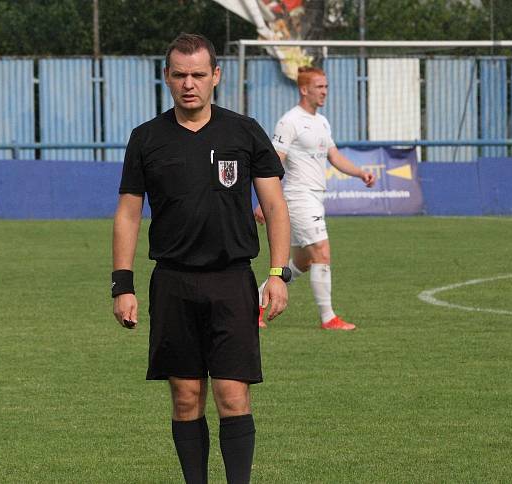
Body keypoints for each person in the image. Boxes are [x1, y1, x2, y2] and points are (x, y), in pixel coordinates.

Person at [111, 33, 291, 484]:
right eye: (179, 75)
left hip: (232, 281)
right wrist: (122, 284)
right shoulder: (146, 139)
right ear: (167, 77)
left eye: (197, 74)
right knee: (186, 398)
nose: (189, 84)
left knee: (233, 396)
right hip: (172, 283)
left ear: (216, 76)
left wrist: (278, 273)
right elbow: (129, 214)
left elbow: (275, 207)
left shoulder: (244, 131)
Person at [253, 66, 375, 331]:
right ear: (304, 89)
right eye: (320, 86)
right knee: (321, 252)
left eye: (326, 87)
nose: (325, 92)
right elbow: (275, 162)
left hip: (314, 198)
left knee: (302, 262)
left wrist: (360, 173)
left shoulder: (321, 121)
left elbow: (335, 156)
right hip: (297, 198)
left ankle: (252, 305)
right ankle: (328, 318)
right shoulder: (290, 121)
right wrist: (266, 201)